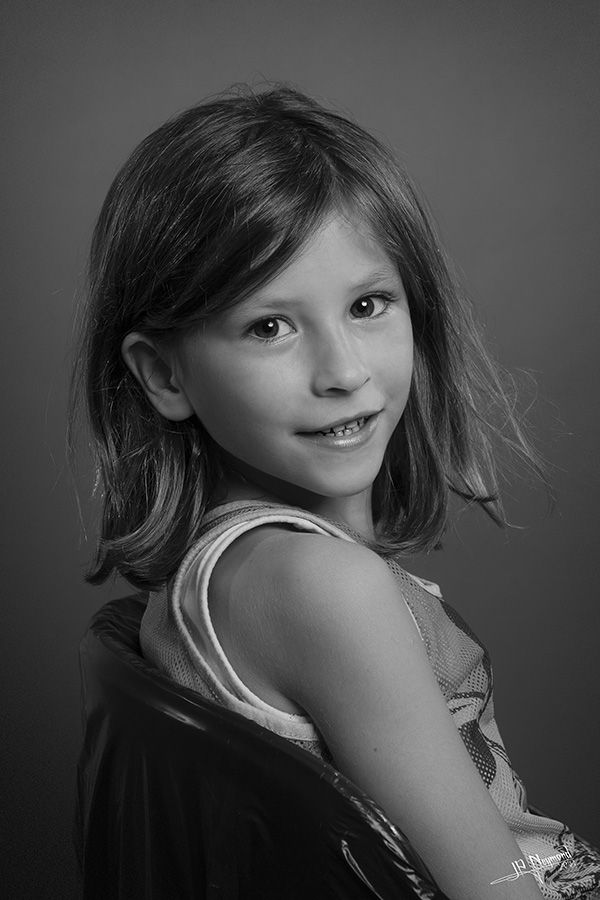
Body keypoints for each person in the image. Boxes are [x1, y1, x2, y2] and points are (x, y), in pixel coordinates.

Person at [71, 84, 600, 900]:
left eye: (367, 304)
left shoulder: (219, 571)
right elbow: (493, 890)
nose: (344, 371)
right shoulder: (323, 588)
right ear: (164, 374)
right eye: (269, 326)